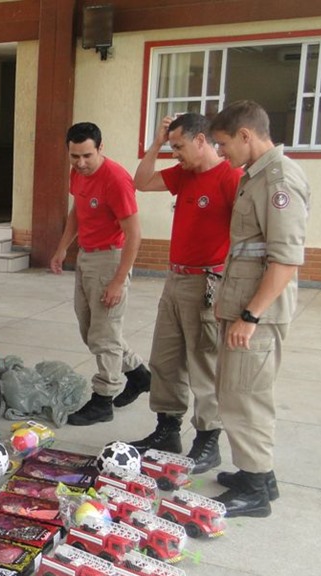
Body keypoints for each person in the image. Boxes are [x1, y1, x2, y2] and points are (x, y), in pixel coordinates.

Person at [208, 100, 309, 517]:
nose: (220, 152)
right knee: (237, 390)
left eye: (223, 143)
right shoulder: (257, 176)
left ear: (246, 135)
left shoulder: (279, 179)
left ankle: (254, 491)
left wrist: (250, 316)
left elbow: (285, 259)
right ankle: (260, 476)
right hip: (244, 304)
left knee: (245, 397)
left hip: (257, 314)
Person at [130, 113, 242, 474]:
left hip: (207, 282)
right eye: (171, 146)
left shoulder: (230, 177)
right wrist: (156, 143)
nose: (174, 153)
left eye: (178, 146)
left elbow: (245, 235)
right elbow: (141, 181)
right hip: (175, 279)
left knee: (203, 363)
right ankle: (167, 430)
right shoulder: (185, 174)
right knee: (165, 359)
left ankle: (208, 439)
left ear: (201, 140)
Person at [50, 122, 150, 426]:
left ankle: (104, 398)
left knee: (105, 333)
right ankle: (139, 374)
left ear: (100, 148)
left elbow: (134, 234)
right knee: (92, 330)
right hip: (86, 257)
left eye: (87, 156)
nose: (81, 163)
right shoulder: (78, 173)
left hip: (110, 259)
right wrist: (62, 248)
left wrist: (118, 280)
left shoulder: (116, 179)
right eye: (74, 156)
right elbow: (77, 211)